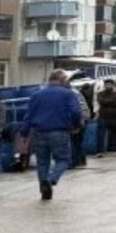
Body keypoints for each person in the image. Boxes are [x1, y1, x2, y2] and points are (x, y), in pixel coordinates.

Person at [26, 70, 82, 201]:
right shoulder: (68, 94)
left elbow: (29, 115)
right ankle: (51, 179)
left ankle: (44, 189)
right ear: (62, 80)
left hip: (39, 132)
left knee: (42, 162)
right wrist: (76, 125)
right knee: (63, 160)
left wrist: (24, 132)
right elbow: (75, 111)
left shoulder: (36, 95)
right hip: (59, 131)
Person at [96, 79, 116, 156]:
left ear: (113, 85)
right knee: (100, 134)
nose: (108, 86)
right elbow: (101, 101)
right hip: (103, 116)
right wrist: (112, 100)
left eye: (110, 84)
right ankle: (100, 151)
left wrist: (107, 102)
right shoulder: (100, 94)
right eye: (106, 84)